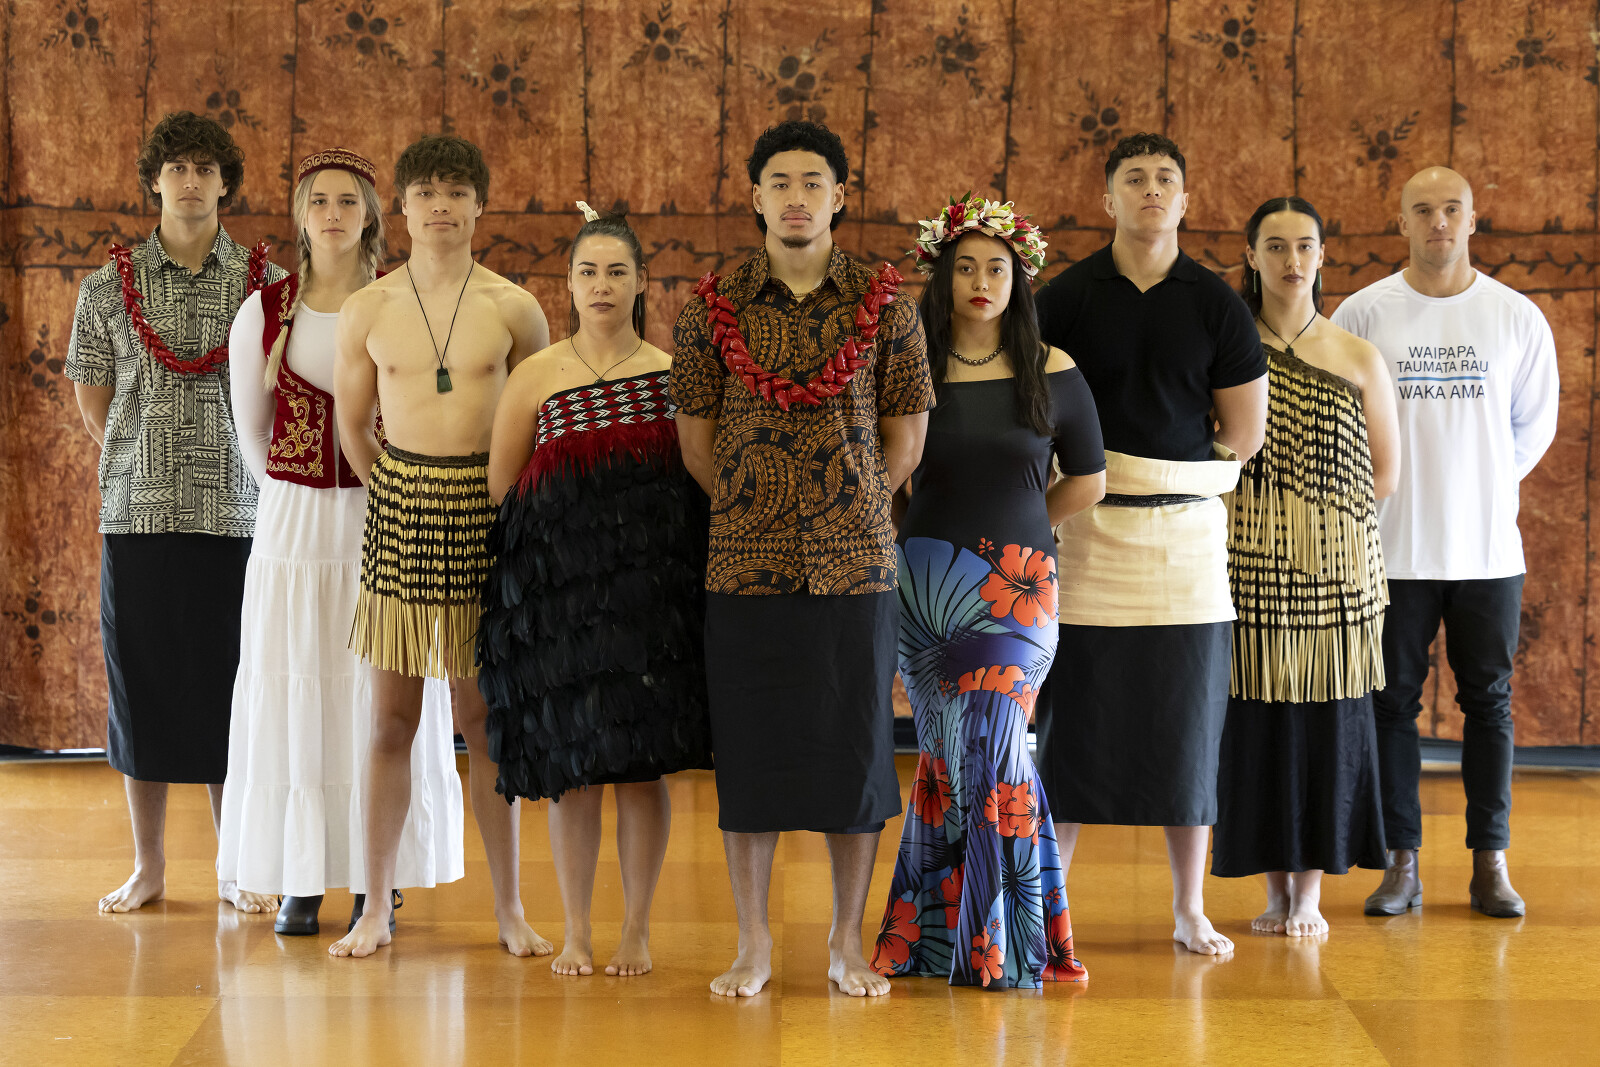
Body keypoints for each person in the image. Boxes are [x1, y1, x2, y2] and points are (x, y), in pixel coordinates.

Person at [672, 120, 933, 997]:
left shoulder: (888, 306)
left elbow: (906, 440)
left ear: (839, 196)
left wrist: (843, 508)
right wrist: (761, 505)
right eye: (778, 182)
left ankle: (845, 942)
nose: (795, 197)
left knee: (855, 757)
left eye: (812, 182)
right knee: (751, 758)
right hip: (743, 564)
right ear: (754, 197)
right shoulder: (711, 305)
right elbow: (697, 444)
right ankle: (752, 943)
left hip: (855, 564)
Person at [216, 149, 464, 937]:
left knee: (376, 695)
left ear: (371, 216)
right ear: (300, 215)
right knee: (299, 685)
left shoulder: (400, 301)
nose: (332, 213)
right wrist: (292, 496)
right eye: (319, 200)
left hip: (379, 512)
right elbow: (252, 434)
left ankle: (373, 875)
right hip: (294, 525)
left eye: (347, 201)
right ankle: (301, 875)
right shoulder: (262, 313)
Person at [1032, 132, 1268, 956]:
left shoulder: (1216, 304)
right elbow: (1031, 415)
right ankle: (1049, 906)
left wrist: (1168, 479)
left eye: (1166, 178)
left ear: (1186, 199)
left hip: (1186, 545)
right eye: (1135, 178)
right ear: (1109, 199)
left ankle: (1188, 908)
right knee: (1072, 730)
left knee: (1187, 729)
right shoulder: (1064, 298)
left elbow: (1242, 435)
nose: (1152, 190)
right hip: (1087, 536)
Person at [868, 195, 1105, 989]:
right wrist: (916, 537)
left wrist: (1025, 533)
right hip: (926, 585)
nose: (980, 281)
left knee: (999, 747)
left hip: (1019, 592)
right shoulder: (909, 363)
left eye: (996, 268)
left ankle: (1004, 941)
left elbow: (1091, 479)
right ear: (941, 276)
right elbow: (887, 469)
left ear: (1019, 278)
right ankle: (939, 941)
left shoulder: (1053, 367)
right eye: (964, 266)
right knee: (944, 757)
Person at [329, 134, 551, 957]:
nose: (441, 206)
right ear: (403, 207)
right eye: (425, 192)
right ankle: (374, 907)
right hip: (401, 511)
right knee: (390, 719)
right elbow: (354, 426)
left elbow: (538, 421)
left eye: (456, 191)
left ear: (479, 205)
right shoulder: (369, 308)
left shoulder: (514, 308)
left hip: (487, 512)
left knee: (484, 717)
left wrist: (507, 505)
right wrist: (395, 490)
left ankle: (510, 907)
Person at [478, 204, 712, 977]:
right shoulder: (536, 376)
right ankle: (577, 930)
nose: (602, 284)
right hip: (561, 606)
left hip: (651, 600)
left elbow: (697, 482)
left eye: (617, 271)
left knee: (642, 768)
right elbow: (503, 487)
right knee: (572, 771)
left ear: (642, 282)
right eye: (588, 271)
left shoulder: (673, 375)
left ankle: (636, 928)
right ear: (569, 284)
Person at [66, 111, 286, 915]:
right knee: (143, 689)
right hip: (138, 513)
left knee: (233, 688)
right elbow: (95, 400)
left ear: (226, 183)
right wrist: (150, 453)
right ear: (154, 181)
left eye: (205, 168)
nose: (190, 181)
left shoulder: (267, 285)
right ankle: (149, 865)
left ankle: (235, 863)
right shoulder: (106, 286)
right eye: (176, 168)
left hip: (237, 514)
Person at [1332, 167, 1559, 919]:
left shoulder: (1514, 316)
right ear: (1401, 221)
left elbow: (1532, 429)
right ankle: (1401, 863)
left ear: (1472, 219)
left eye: (1451, 209)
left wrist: (1478, 482)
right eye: (1423, 209)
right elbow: (1342, 421)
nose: (1438, 221)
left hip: (1487, 552)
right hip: (1391, 551)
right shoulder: (1364, 313)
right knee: (1390, 705)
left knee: (1489, 704)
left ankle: (1490, 861)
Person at [1210, 196, 1399, 936]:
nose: (1292, 261)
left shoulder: (1357, 355)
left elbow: (1386, 473)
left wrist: (1317, 528)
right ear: (1251, 255)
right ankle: (1273, 891)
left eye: (1305, 246)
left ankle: (1310, 895)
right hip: (1247, 569)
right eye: (1276, 246)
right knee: (1257, 723)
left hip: (1339, 576)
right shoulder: (1228, 351)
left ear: (1323, 255)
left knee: (1327, 724)